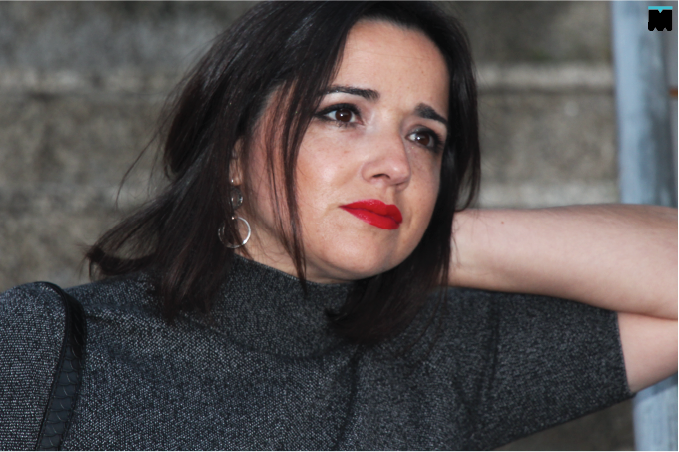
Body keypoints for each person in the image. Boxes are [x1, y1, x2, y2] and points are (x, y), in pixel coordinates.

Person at [1, 2, 676, 450]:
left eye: (423, 136)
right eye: (343, 114)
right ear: (233, 150)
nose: (396, 165)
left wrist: (425, 235)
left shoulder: (440, 357)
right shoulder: (44, 347)